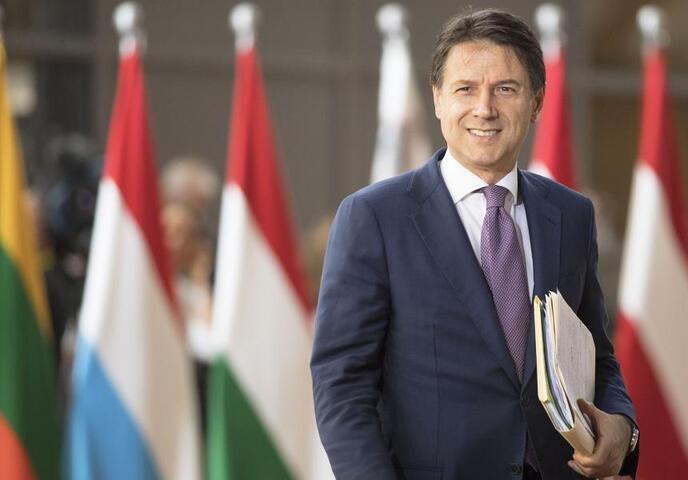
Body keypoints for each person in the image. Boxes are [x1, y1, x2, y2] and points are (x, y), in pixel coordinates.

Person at [311, 9, 639, 480]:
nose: (484, 108)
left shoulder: (571, 216)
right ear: (437, 98)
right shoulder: (374, 218)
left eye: (505, 89)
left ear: (536, 102)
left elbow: (597, 359)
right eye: (465, 89)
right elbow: (342, 386)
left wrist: (623, 427)